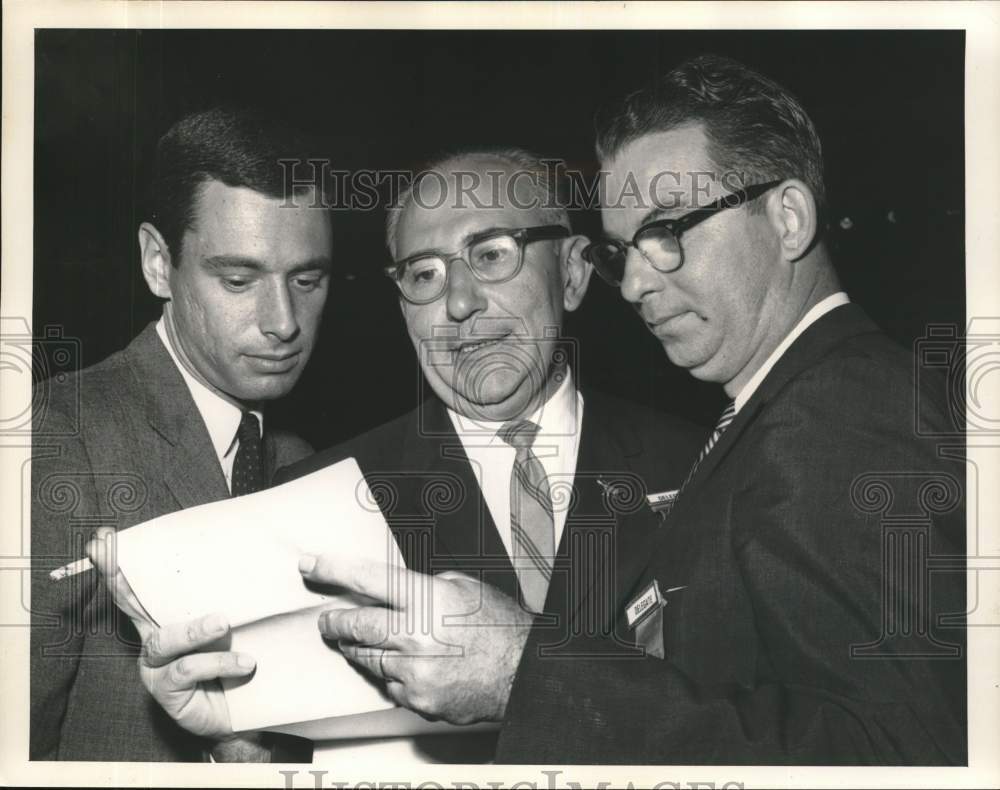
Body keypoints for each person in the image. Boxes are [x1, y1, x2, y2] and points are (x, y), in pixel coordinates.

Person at [86, 149, 705, 762]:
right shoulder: (316, 499)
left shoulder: (704, 462)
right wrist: (238, 740)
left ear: (571, 274)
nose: (458, 303)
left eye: (491, 255)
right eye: (424, 274)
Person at [493, 54, 967, 763]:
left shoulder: (837, 418)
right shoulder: (789, 408)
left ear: (788, 218)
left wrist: (527, 679)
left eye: (667, 231)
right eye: (624, 251)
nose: (632, 287)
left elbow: (893, 755)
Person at [31, 107, 333, 762]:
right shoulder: (54, 440)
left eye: (307, 279)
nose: (283, 322)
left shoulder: (302, 463)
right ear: (157, 263)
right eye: (238, 279)